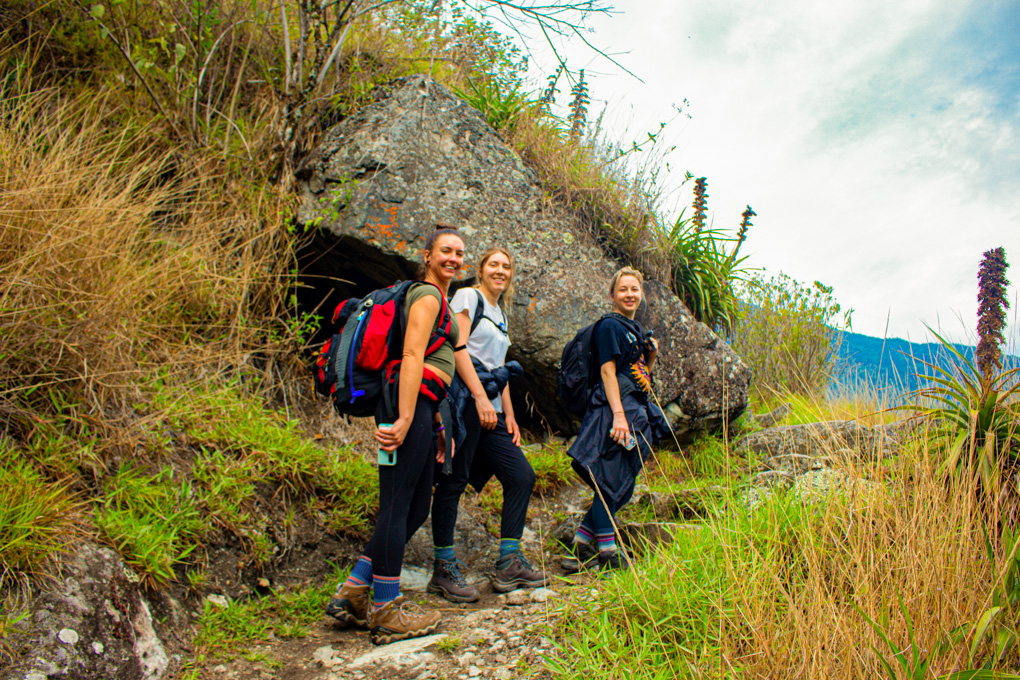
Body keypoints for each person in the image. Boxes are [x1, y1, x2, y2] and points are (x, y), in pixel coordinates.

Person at [326, 225, 464, 645]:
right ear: (427, 256)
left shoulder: (439, 297)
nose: (453, 259)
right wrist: (405, 417)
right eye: (445, 251)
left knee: (417, 505)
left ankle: (353, 591)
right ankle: (385, 607)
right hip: (404, 406)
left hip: (422, 407)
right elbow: (410, 355)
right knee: (396, 504)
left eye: (459, 253)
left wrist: (436, 424)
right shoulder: (425, 295)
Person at [428, 247, 550, 602]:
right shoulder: (469, 296)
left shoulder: (500, 313)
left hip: (491, 412)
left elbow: (500, 368)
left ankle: (509, 561)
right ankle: (443, 566)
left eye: (506, 266)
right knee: (454, 481)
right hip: (467, 403)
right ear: (480, 269)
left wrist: (508, 413)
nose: (501, 271)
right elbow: (457, 347)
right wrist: (481, 398)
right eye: (494, 264)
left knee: (521, 476)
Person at [560, 267, 668, 572]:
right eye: (623, 289)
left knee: (623, 479)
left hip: (634, 407)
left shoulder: (635, 332)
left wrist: (651, 358)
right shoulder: (610, 326)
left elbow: (639, 376)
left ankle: (580, 544)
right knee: (612, 478)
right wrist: (618, 416)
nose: (629, 294)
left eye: (635, 289)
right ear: (612, 295)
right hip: (614, 410)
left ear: (641, 294)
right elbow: (608, 372)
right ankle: (608, 550)